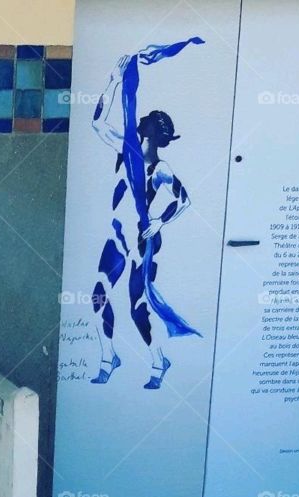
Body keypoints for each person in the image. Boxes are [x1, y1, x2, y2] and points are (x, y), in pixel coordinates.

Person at [89, 46, 201, 390]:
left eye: (145, 122)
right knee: (98, 296)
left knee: (138, 308)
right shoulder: (126, 150)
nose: (139, 121)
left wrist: (159, 222)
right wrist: (112, 80)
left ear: (152, 133)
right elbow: (96, 121)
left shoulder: (160, 169)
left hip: (140, 240)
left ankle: (158, 361)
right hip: (116, 236)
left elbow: (184, 199)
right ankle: (109, 357)